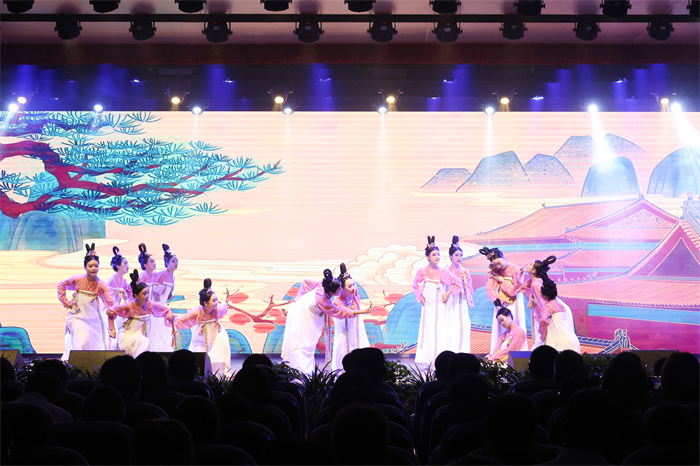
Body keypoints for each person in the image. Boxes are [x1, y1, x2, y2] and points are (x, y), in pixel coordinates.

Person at [281, 269, 371, 375]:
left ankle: (305, 373)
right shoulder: (324, 302)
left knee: (308, 344)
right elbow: (342, 312)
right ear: (332, 292)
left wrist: (299, 297)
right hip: (302, 315)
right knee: (302, 344)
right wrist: (298, 299)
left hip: (306, 312)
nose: (341, 291)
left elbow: (306, 281)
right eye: (339, 290)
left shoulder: (322, 285)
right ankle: (300, 374)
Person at [57, 243, 117, 359]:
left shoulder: (101, 285)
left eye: (96, 266)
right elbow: (61, 285)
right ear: (85, 267)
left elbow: (111, 304)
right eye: (90, 266)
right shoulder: (78, 279)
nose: (94, 268)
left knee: (93, 345)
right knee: (82, 339)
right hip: (77, 317)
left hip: (93, 320)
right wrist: (66, 302)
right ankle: (76, 366)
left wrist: (112, 328)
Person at [412, 236, 461, 369]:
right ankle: (427, 360)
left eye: (438, 254)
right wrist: (420, 297)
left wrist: (447, 294)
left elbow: (458, 283)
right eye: (434, 254)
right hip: (428, 306)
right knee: (427, 331)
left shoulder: (443, 271)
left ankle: (438, 361)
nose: (437, 257)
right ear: (428, 257)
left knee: (439, 332)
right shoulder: (422, 271)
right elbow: (415, 285)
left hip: (440, 306)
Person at [107, 270, 175, 358]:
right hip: (129, 336)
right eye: (144, 294)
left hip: (142, 336)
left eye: (148, 293)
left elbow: (166, 310)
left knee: (146, 345)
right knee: (144, 343)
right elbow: (112, 311)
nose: (147, 296)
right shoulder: (130, 306)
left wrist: (169, 316)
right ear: (136, 296)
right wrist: (112, 329)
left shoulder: (150, 305)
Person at [173, 278, 231, 375]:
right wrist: (172, 319)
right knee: (200, 352)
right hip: (202, 335)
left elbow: (224, 306)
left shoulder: (217, 309)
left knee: (223, 341)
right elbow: (182, 320)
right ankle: (201, 371)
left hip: (217, 332)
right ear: (205, 303)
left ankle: (222, 370)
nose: (217, 302)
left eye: (217, 300)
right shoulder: (197, 312)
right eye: (214, 301)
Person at [480, 246, 527, 354]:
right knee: (501, 326)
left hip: (514, 301)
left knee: (514, 323)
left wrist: (501, 280)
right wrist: (499, 301)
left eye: (498, 263)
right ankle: (499, 353)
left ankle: (516, 352)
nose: (497, 266)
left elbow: (515, 290)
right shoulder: (495, 271)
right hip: (501, 304)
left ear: (503, 257)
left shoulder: (515, 269)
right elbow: (489, 289)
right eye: (495, 265)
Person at [331, 263, 373, 372]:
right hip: (343, 321)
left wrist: (359, 310)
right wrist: (365, 311)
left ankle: (361, 368)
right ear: (341, 288)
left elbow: (355, 303)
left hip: (355, 320)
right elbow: (348, 312)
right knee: (343, 342)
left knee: (358, 339)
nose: (353, 288)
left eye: (353, 285)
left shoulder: (354, 292)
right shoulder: (337, 300)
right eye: (350, 286)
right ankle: (341, 370)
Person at [136, 243, 172, 352]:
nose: (154, 263)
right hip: (144, 309)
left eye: (154, 261)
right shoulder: (143, 276)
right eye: (151, 262)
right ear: (145, 265)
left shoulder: (154, 275)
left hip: (151, 308)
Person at [520, 255, 557, 350]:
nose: (527, 265)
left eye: (530, 264)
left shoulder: (536, 284)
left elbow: (543, 303)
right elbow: (520, 288)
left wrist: (543, 319)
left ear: (534, 271)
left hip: (544, 313)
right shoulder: (533, 281)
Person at [445, 236, 474, 353]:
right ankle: (448, 350)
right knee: (448, 324)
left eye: (461, 255)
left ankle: (462, 351)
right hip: (448, 299)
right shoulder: (445, 270)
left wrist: (466, 290)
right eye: (456, 255)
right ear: (450, 256)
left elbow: (470, 288)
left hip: (460, 300)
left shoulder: (465, 272)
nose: (459, 258)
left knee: (461, 324)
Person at [148, 244, 179, 352]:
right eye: (173, 261)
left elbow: (169, 293)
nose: (176, 263)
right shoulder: (161, 274)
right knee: (156, 332)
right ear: (166, 263)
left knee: (164, 332)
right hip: (156, 307)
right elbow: (152, 288)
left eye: (176, 261)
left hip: (164, 307)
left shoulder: (173, 277)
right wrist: (158, 299)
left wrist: (170, 294)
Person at [539, 277, 581, 353]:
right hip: (570, 336)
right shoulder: (561, 305)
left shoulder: (547, 307)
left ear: (545, 296)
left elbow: (543, 320)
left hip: (557, 339)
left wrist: (545, 332)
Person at [104, 246, 132, 349]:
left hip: (116, 309)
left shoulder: (124, 280)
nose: (127, 265)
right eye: (125, 263)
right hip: (107, 309)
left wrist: (125, 295)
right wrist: (117, 289)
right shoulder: (111, 278)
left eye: (127, 263)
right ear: (118, 266)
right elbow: (104, 289)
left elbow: (127, 292)